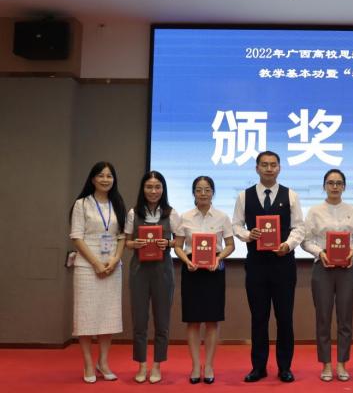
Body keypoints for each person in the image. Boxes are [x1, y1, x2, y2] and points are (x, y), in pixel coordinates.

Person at [232, 151, 305, 383]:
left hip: (283, 264)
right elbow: (236, 225)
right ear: (257, 168)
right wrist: (248, 235)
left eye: (273, 165)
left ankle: (285, 367)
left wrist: (288, 245)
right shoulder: (244, 196)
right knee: (259, 318)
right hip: (256, 265)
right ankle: (258, 367)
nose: (269, 169)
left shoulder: (291, 195)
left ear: (279, 168)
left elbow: (299, 227)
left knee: (285, 318)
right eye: (264, 165)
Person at [301, 169, 353, 382]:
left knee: (345, 319)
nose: (334, 186)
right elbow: (306, 241)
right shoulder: (315, 211)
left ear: (344, 186)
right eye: (330, 183)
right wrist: (320, 253)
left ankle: (342, 363)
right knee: (323, 318)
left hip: (347, 269)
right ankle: (326, 364)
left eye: (338, 183)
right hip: (323, 268)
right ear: (324, 186)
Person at [69, 161, 127, 383]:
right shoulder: (82, 204)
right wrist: (95, 263)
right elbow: (76, 237)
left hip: (112, 267)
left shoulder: (117, 203)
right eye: (101, 175)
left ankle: (103, 362)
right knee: (85, 316)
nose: (105, 179)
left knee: (107, 316)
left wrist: (115, 259)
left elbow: (122, 236)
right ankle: (87, 363)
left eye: (109, 176)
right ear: (93, 179)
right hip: (87, 267)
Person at [173, 176, 235, 384]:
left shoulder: (222, 217)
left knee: (211, 320)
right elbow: (178, 246)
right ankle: (194, 366)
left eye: (207, 190)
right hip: (191, 270)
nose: (203, 193)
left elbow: (230, 245)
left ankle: (208, 365)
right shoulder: (184, 217)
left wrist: (218, 258)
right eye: (199, 190)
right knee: (192, 321)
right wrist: (186, 261)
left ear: (213, 193)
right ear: (193, 193)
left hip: (213, 271)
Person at [124, 171, 180, 383]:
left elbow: (179, 241)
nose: (153, 191)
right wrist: (134, 244)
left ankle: (157, 365)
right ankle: (141, 365)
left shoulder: (171, 213)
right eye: (149, 187)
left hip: (163, 270)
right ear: (143, 189)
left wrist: (169, 243)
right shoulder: (133, 212)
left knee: (162, 320)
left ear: (163, 189)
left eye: (157, 187)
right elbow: (127, 242)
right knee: (139, 320)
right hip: (139, 270)